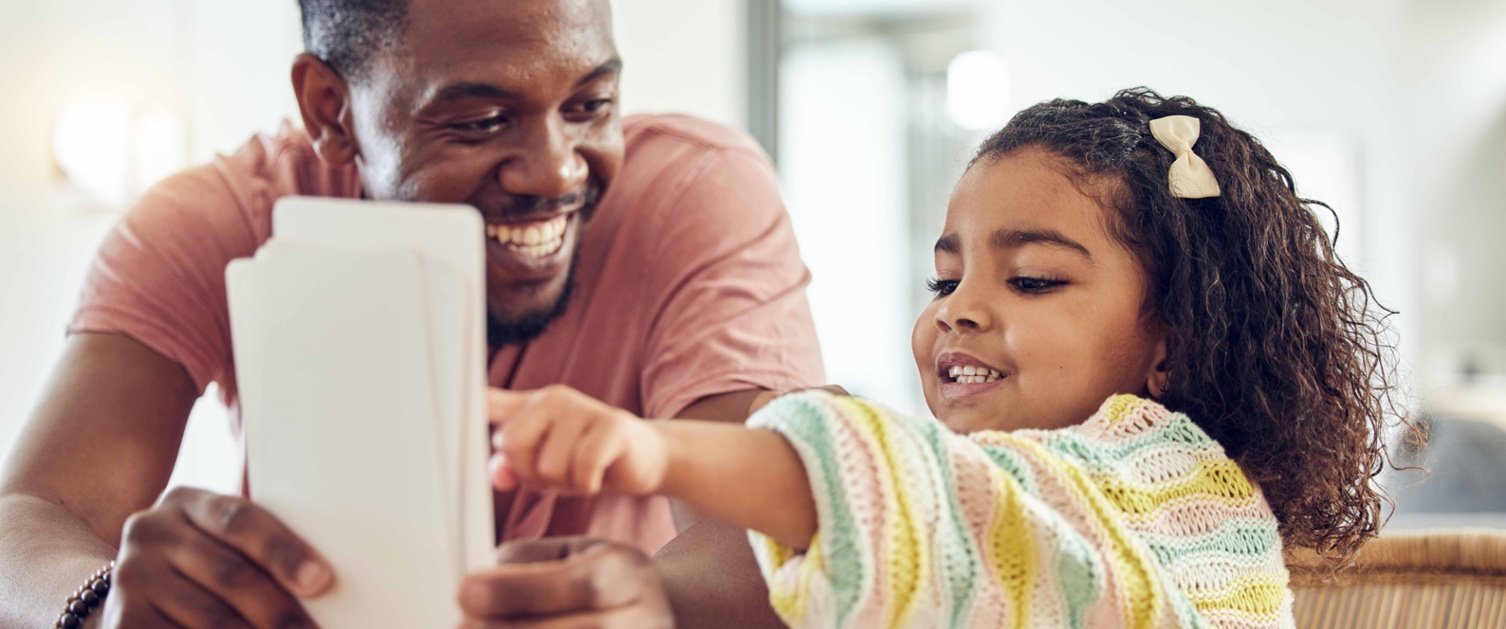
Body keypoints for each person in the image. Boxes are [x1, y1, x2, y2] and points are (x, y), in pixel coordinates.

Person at [0, 0, 823, 627]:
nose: (554, 170)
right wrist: (99, 601)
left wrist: (652, 601)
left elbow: (775, 523)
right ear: (330, 108)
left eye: (589, 105)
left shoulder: (693, 191)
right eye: (480, 120)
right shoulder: (216, 220)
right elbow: (26, 520)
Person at [486, 89, 1409, 627]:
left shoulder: (1165, 486)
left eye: (1034, 279)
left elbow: (929, 496)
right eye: (943, 281)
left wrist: (654, 452)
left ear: (1175, 340)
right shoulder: (1021, 509)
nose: (959, 311)